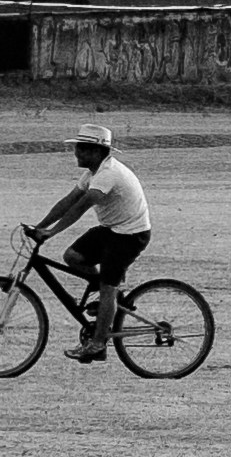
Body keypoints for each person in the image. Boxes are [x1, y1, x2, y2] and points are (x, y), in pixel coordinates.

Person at [29, 127, 152, 352]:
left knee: (107, 288)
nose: (77, 153)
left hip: (130, 235)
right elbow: (68, 201)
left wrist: (52, 232)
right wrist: (39, 226)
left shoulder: (108, 174)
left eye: (83, 149)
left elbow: (81, 207)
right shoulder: (93, 172)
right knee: (73, 257)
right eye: (77, 147)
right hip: (111, 229)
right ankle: (112, 300)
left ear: (98, 152)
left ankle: (97, 343)